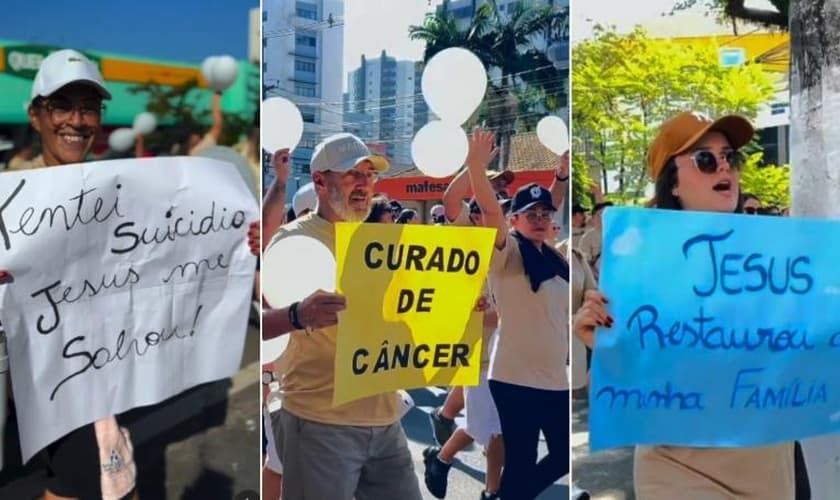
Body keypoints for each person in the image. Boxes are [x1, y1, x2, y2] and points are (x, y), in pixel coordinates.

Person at [574, 111, 794, 500]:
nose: (724, 166)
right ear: (673, 184)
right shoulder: (642, 268)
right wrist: (600, 343)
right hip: (680, 472)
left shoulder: (780, 262)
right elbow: (631, 385)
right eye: (706, 159)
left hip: (769, 470)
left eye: (730, 157)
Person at [262, 133, 423, 499]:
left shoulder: (383, 244)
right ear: (320, 181)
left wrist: (459, 308)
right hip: (320, 421)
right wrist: (298, 315)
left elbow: (407, 313)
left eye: (370, 176)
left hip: (386, 418)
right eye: (353, 174)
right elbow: (254, 325)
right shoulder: (293, 241)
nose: (364, 184)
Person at [466, 128, 570, 499]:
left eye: (545, 213)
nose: (540, 218)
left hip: (556, 379)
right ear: (514, 221)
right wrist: (476, 165)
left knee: (561, 457)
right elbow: (492, 210)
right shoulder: (507, 254)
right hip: (515, 379)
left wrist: (560, 175)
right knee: (522, 460)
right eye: (530, 214)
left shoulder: (554, 256)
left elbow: (551, 200)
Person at [187, 90, 224, 156]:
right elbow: (218, 126)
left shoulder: (194, 153)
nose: (195, 137)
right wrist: (216, 98)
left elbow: (217, 126)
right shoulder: (198, 152)